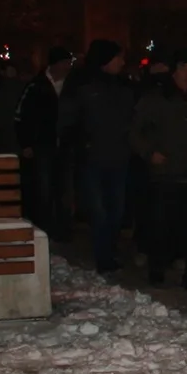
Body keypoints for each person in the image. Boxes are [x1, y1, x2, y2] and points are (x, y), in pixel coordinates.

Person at [60, 40, 136, 274]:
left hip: (118, 157)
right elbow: (67, 119)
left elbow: (133, 119)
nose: (122, 62)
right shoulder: (81, 83)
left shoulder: (123, 86)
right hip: (91, 158)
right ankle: (104, 258)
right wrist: (78, 145)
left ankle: (109, 251)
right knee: (99, 210)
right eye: (117, 58)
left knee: (116, 210)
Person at [131, 48, 187, 287]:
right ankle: (157, 269)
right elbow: (134, 130)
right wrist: (149, 152)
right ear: (175, 71)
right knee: (160, 224)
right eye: (184, 68)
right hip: (165, 174)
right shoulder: (155, 98)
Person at [15, 47, 74, 239]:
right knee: (44, 188)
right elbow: (21, 116)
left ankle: (63, 229)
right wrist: (26, 143)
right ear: (55, 64)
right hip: (43, 145)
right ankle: (44, 229)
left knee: (64, 189)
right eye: (65, 62)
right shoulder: (36, 86)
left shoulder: (72, 87)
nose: (68, 67)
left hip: (65, 145)